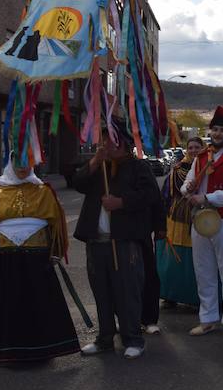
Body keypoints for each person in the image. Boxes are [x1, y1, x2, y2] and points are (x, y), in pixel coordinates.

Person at [0, 155, 79, 364]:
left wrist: (56, 251)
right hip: (6, 260)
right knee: (9, 304)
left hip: (37, 260)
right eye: (18, 163)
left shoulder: (44, 191)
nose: (22, 168)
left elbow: (56, 223)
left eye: (26, 163)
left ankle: (42, 351)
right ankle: (10, 353)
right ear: (11, 164)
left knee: (39, 303)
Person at [73, 122, 158, 359]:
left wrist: (121, 202)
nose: (104, 144)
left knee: (127, 291)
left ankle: (133, 338)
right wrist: (94, 162)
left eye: (108, 140)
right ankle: (105, 339)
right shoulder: (98, 167)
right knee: (102, 292)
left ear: (123, 143)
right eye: (101, 140)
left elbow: (150, 195)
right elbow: (77, 183)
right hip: (96, 241)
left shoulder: (138, 167)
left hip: (124, 241)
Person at [183, 106, 223, 341]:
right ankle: (208, 319)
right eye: (215, 129)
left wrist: (206, 198)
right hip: (202, 221)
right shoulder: (201, 157)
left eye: (222, 130)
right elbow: (188, 182)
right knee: (204, 273)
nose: (217, 134)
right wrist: (188, 189)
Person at [157, 136, 203, 308]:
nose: (193, 150)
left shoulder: (208, 167)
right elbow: (167, 195)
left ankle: (195, 296)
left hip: (200, 213)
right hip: (178, 217)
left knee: (197, 256)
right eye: (190, 147)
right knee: (174, 254)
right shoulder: (177, 169)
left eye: (197, 147)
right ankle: (171, 294)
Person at [141, 169, 167, 335]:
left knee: (147, 274)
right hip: (113, 236)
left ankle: (149, 319)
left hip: (139, 232)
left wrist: (160, 226)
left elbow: (156, 200)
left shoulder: (141, 169)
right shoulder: (101, 168)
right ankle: (126, 319)